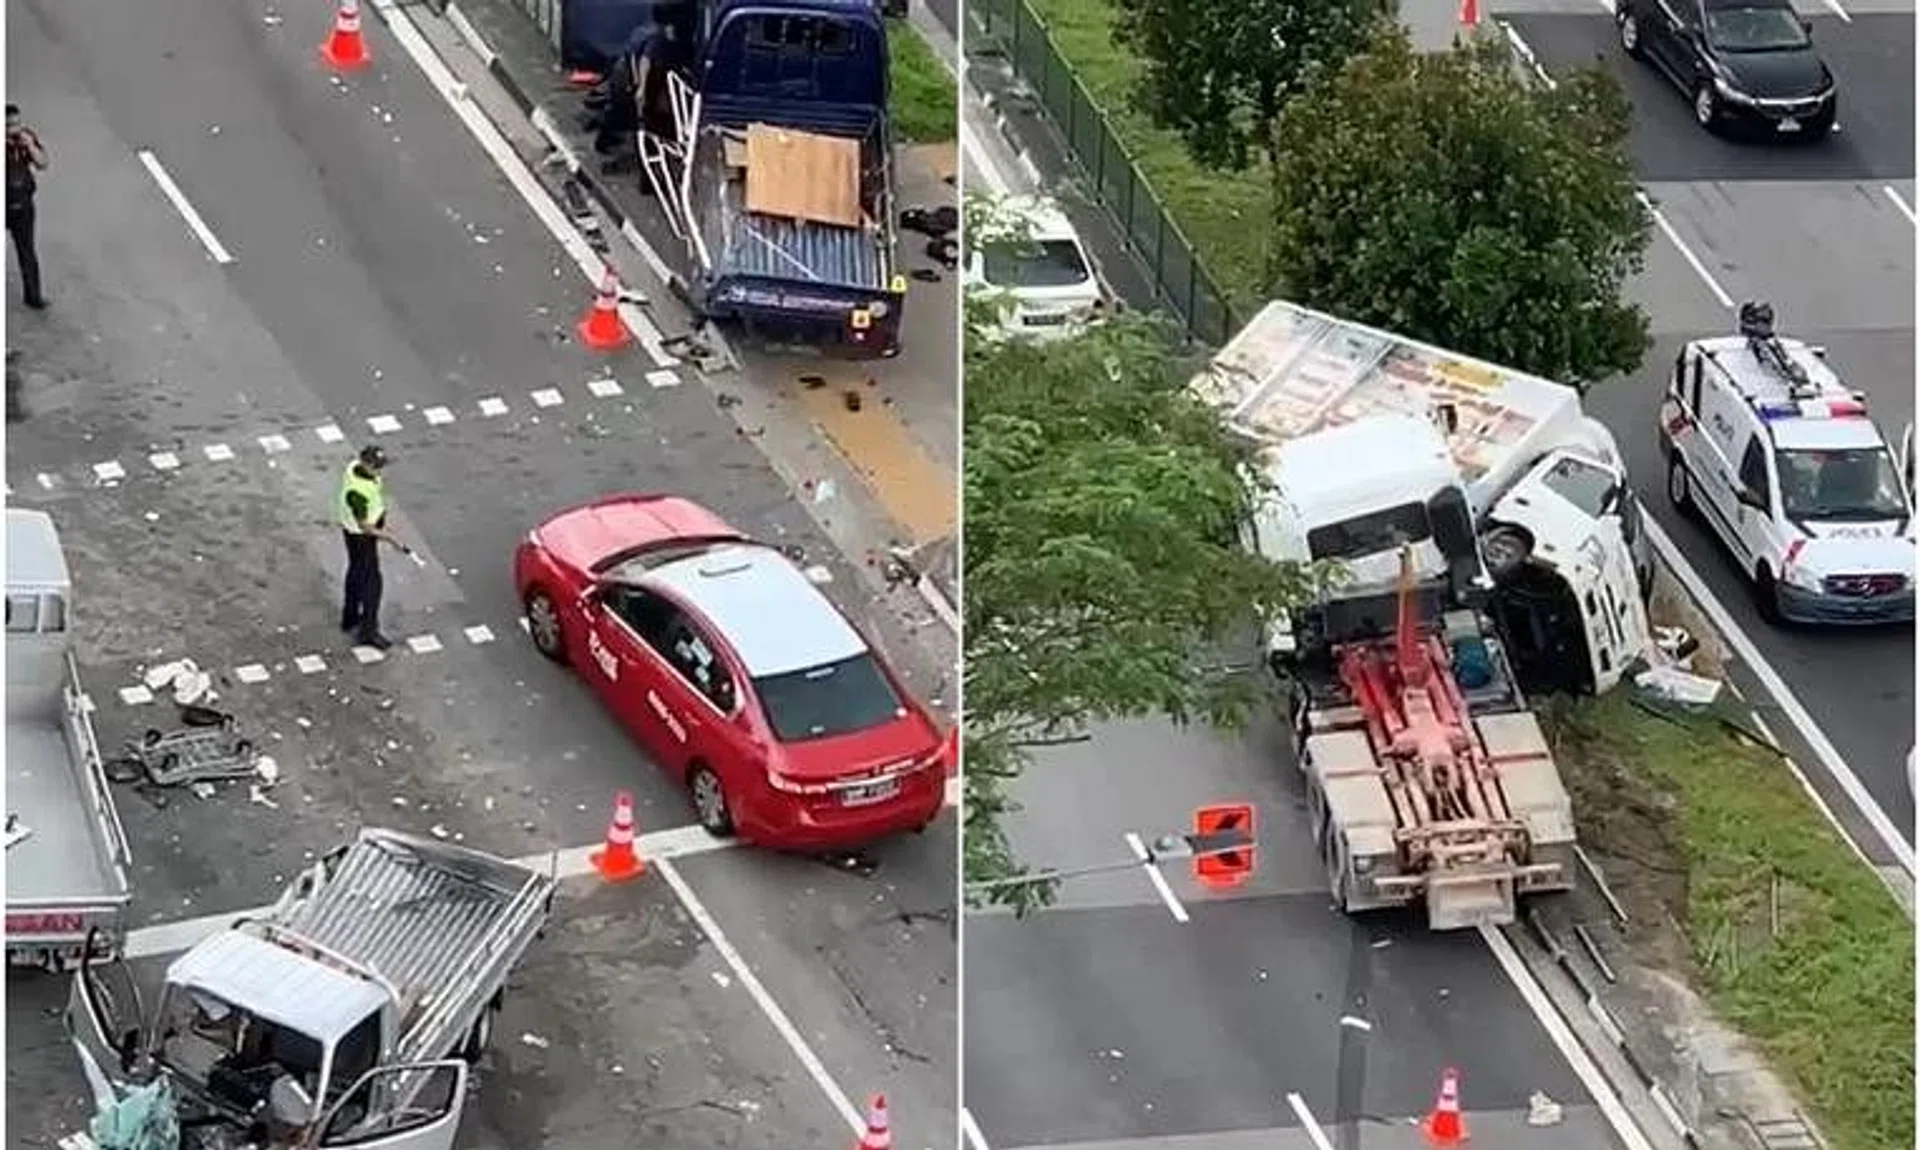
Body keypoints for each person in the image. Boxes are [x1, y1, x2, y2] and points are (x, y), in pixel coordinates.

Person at [338, 445, 398, 650]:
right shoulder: (357, 493)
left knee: (355, 573)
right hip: (361, 536)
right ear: (365, 464)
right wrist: (391, 538)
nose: (379, 471)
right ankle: (368, 631)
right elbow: (365, 526)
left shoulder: (354, 468)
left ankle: (350, 617)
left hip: (353, 532)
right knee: (372, 583)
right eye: (376, 467)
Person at [6, 104, 49, 310]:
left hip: (22, 205)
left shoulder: (26, 138)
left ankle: (33, 295)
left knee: (27, 251)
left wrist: (30, 145)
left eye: (16, 124)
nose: (13, 129)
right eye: (8, 125)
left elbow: (43, 163)